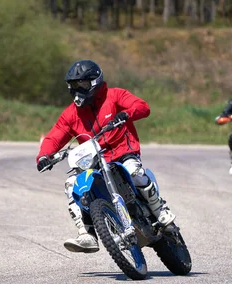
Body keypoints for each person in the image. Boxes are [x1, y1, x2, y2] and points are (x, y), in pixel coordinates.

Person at [36, 60, 176, 254]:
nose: (78, 89)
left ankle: (160, 211)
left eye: (83, 84)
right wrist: (44, 156)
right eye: (74, 85)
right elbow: (55, 136)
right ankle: (86, 234)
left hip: (122, 152)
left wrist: (126, 114)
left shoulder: (115, 95)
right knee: (71, 185)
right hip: (93, 160)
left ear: (95, 81)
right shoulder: (71, 113)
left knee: (135, 173)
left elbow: (142, 106)